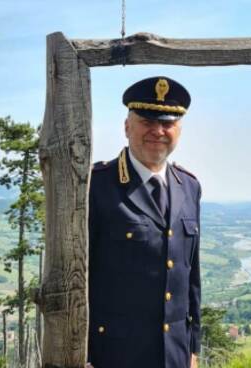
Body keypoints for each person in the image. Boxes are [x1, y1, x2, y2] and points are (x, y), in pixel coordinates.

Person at [87, 76, 201, 368]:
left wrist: (193, 347)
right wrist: (82, 353)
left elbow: (191, 277)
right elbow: (76, 277)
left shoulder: (189, 186)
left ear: (179, 130)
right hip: (114, 354)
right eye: (147, 121)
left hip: (175, 353)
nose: (158, 131)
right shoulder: (95, 185)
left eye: (167, 123)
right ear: (127, 127)